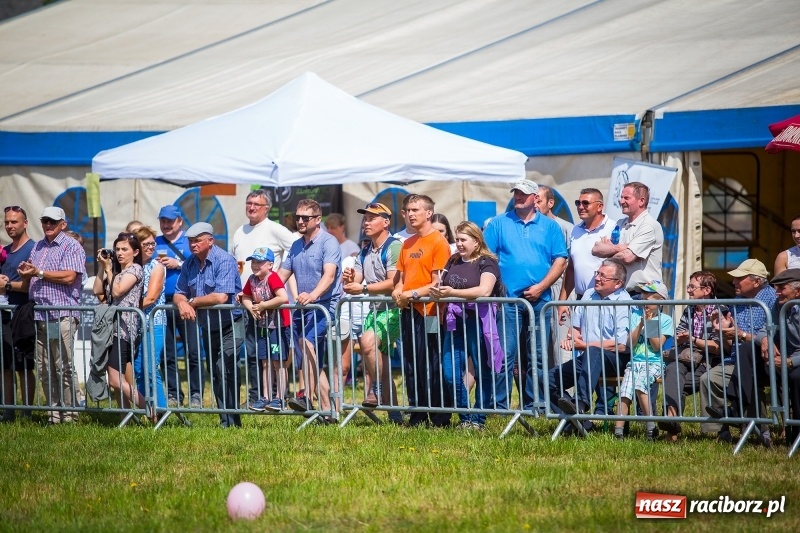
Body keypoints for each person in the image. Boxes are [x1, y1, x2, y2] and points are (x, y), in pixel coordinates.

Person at [484, 179, 568, 413]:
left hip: (541, 301)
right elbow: (487, 258)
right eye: (516, 193)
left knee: (539, 356)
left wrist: (541, 287)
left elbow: (560, 260)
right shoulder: (499, 224)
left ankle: (536, 405)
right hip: (508, 301)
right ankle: (499, 406)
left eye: (523, 194)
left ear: (535, 198)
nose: (518, 197)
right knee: (504, 355)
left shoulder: (550, 227)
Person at [431, 221, 505, 431]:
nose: (459, 244)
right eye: (458, 239)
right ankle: (466, 417)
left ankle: (478, 419)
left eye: (463, 240)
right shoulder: (453, 260)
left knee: (483, 371)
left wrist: (451, 293)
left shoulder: (487, 262)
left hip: (478, 322)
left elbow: (484, 290)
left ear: (476, 241)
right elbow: (442, 284)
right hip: (455, 322)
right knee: (450, 372)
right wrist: (438, 292)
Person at [17, 207, 86, 424]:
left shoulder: (72, 246)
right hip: (40, 316)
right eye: (45, 221)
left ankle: (70, 415)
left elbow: (69, 276)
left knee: (63, 366)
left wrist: (38, 272)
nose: (48, 225)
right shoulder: (38, 246)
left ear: (63, 224)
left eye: (53, 221)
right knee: (44, 368)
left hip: (61, 315)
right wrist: (26, 270)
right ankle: (53, 414)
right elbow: (34, 273)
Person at [174, 222, 244, 428]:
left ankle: (233, 419)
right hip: (208, 326)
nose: (193, 245)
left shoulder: (225, 260)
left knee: (225, 367)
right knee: (214, 370)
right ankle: (226, 420)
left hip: (233, 322)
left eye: (197, 241)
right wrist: (181, 303)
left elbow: (221, 297)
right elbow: (179, 292)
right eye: (190, 241)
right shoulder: (189, 263)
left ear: (210, 241)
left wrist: (192, 302)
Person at [230, 190, 296, 406]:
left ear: (266, 208)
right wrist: (248, 303)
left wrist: (279, 272)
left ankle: (278, 396)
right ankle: (259, 395)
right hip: (250, 305)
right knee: (256, 355)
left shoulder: (275, 229)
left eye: (256, 204)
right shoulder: (240, 231)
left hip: (274, 313)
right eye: (248, 203)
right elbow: (235, 262)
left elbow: (296, 246)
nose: (251, 207)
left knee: (276, 358)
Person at [392, 194, 451, 427]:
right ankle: (417, 413)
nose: (410, 213)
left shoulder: (439, 242)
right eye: (408, 210)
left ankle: (439, 416)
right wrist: (399, 292)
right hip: (409, 310)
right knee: (410, 363)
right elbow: (400, 279)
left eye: (416, 209)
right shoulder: (406, 244)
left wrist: (412, 293)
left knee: (433, 362)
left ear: (429, 213)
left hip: (431, 312)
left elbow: (437, 283)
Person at [704, 258, 776, 446]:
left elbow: (768, 339)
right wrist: (723, 332)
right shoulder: (736, 301)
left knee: (746, 369)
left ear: (757, 281)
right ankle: (722, 431)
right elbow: (731, 345)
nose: (734, 282)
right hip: (735, 359)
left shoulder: (772, 300)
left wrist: (741, 334)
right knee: (709, 379)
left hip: (762, 361)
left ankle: (754, 425)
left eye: (740, 278)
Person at [342, 202, 403, 422]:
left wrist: (363, 288)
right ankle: (395, 415)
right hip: (375, 310)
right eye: (365, 218)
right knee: (382, 362)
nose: (366, 222)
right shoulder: (366, 249)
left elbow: (392, 283)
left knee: (367, 343)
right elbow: (355, 281)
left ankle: (375, 387)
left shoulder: (394, 246)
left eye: (371, 218)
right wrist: (349, 280)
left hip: (394, 309)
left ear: (385, 222)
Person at [549, 259, 631, 421]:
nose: (597, 278)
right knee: (546, 380)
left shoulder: (624, 303)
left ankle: (580, 403)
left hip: (615, 361)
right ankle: (577, 422)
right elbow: (576, 327)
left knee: (594, 351)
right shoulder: (588, 294)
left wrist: (584, 345)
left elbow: (620, 345)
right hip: (588, 358)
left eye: (603, 276)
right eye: (597, 273)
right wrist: (571, 337)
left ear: (617, 283)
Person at [278, 199, 339, 417]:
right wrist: (255, 290)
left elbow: (329, 276)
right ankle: (330, 410)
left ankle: (306, 397)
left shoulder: (329, 242)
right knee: (313, 357)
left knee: (307, 344)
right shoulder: (295, 245)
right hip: (304, 309)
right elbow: (280, 277)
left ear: (318, 219)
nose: (300, 221)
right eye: (298, 217)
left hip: (325, 306)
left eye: (306, 217)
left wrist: (312, 296)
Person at [659, 271, 722, 442]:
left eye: (692, 287)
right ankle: (670, 423)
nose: (688, 291)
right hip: (684, 358)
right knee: (672, 370)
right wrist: (681, 338)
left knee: (673, 382)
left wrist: (692, 339)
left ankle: (669, 425)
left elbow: (717, 346)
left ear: (707, 290)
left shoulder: (720, 310)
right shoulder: (689, 310)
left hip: (708, 362)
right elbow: (679, 334)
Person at [155, 205, 202, 408]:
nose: (165, 225)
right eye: (162, 221)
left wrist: (179, 264)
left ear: (180, 222)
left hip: (187, 303)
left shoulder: (190, 242)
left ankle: (196, 394)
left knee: (193, 351)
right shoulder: (154, 243)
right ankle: (174, 394)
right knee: (167, 353)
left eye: (169, 221)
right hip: (161, 304)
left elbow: (201, 264)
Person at [92, 232, 146, 411]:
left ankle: (152, 411)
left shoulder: (135, 270)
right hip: (109, 327)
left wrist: (109, 269)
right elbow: (97, 290)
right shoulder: (116, 271)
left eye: (125, 249)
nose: (120, 253)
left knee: (116, 379)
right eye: (117, 249)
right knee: (115, 380)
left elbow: (117, 291)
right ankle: (125, 417)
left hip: (123, 330)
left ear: (135, 252)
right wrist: (102, 266)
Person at [614, 280, 672, 441]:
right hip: (634, 362)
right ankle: (618, 431)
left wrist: (650, 323)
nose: (643, 297)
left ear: (660, 300)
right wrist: (640, 324)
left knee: (640, 386)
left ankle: (650, 426)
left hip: (653, 362)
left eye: (648, 295)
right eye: (642, 294)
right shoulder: (635, 315)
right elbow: (630, 344)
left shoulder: (665, 319)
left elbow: (656, 346)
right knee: (624, 393)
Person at [752, 268, 800, 447]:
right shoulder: (779, 304)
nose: (776, 292)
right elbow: (764, 328)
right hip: (784, 358)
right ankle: (740, 413)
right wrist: (765, 339)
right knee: (748, 353)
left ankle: (795, 434)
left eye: (781, 288)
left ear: (798, 290)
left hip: (794, 361)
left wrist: (790, 362)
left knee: (796, 377)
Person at [240, 247, 291, 412]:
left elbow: (283, 297)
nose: (255, 265)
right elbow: (246, 296)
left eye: (259, 262)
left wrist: (262, 305)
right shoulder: (252, 279)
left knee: (278, 362)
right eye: (253, 261)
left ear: (270, 265)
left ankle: (280, 398)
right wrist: (251, 308)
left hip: (278, 326)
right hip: (263, 326)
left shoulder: (273, 278)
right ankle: (266, 397)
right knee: (265, 362)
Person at [0, 206, 36, 422]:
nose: (10, 226)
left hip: (22, 315)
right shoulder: (4, 251)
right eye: (7, 222)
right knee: (4, 366)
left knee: (23, 366)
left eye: (14, 222)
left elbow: (30, 286)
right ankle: (8, 410)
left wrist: (7, 287)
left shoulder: (33, 250)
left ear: (25, 223)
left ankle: (27, 412)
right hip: (3, 314)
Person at [592, 181, 663, 290]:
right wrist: (621, 248)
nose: (621, 201)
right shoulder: (620, 223)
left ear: (641, 201)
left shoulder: (649, 225)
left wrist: (609, 252)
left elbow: (627, 257)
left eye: (626, 198)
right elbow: (596, 249)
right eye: (621, 197)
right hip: (623, 293)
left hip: (644, 295)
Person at [132, 226, 168, 415]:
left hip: (154, 322)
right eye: (146, 243)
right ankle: (149, 411)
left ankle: (161, 411)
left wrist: (127, 308)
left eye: (153, 243)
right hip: (136, 324)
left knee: (150, 368)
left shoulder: (157, 267)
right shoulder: (134, 267)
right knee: (138, 370)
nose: (151, 247)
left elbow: (151, 298)